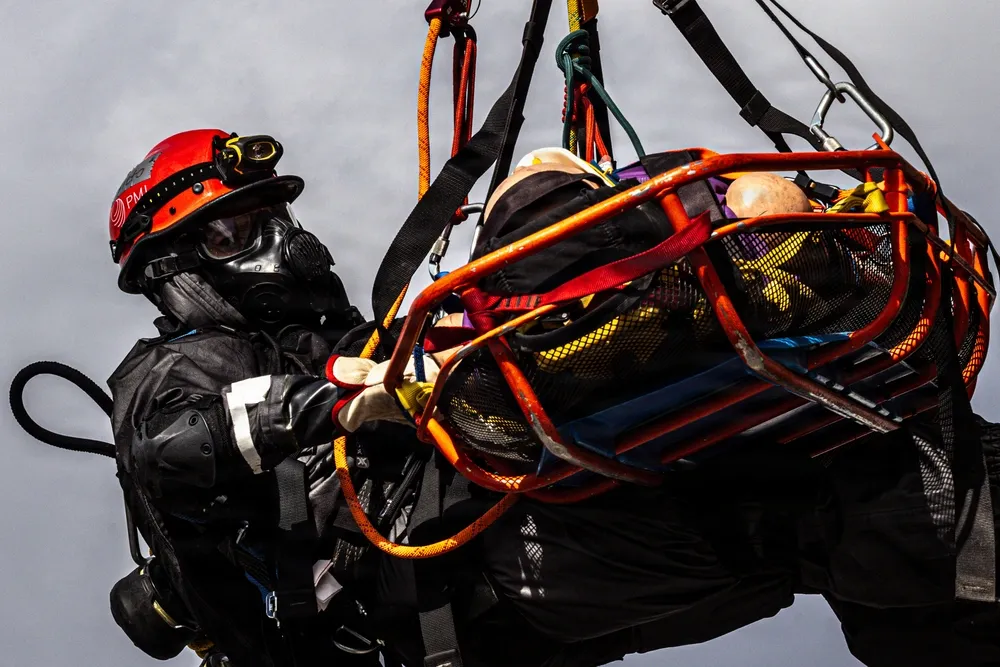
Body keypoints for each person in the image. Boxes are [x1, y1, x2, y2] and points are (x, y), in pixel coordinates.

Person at [104, 128, 1000, 667]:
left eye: (271, 220)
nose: (275, 244)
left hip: (514, 569)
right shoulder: (172, 369)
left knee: (884, 469)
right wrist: (336, 403)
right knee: (538, 209)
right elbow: (172, 449)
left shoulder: (346, 341)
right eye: (235, 230)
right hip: (455, 567)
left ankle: (753, 255)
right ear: (171, 270)